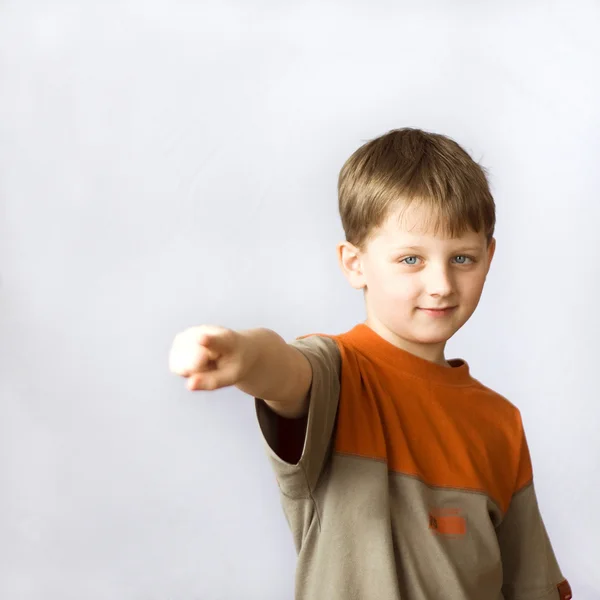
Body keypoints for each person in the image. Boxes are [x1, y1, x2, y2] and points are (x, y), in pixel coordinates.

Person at [168, 128, 571, 600]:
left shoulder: (501, 423)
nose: (441, 283)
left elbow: (531, 584)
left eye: (462, 257)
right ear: (354, 263)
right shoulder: (335, 375)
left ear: (490, 257)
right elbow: (282, 368)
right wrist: (242, 353)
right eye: (411, 259)